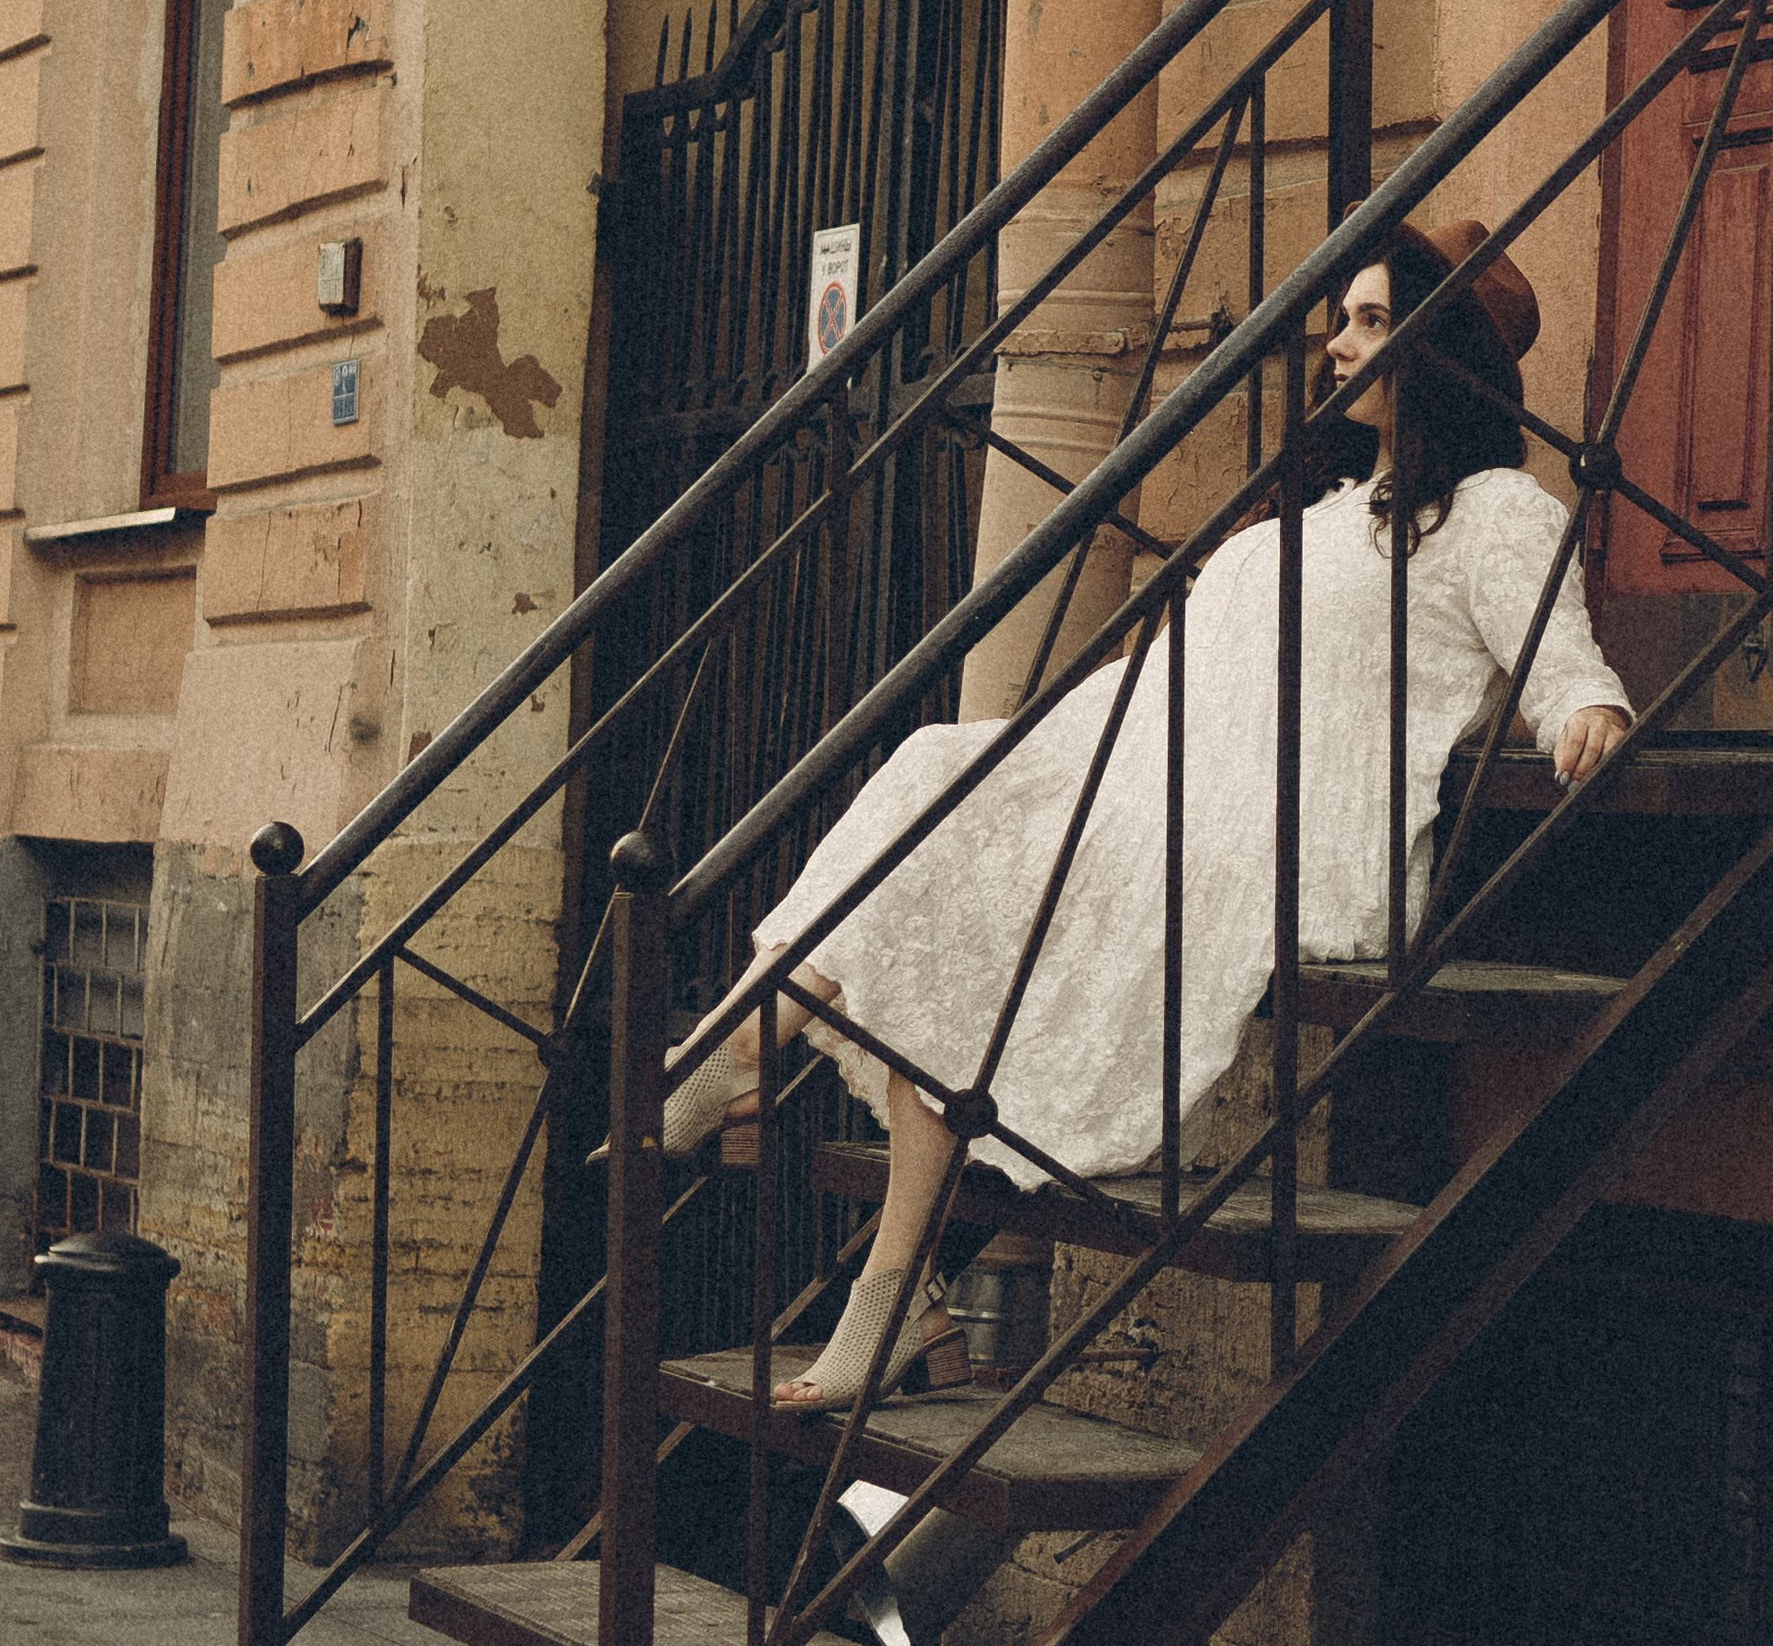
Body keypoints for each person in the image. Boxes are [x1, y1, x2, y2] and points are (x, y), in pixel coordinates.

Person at [655, 219, 1634, 1406]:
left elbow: (1561, 659)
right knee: (933, 793)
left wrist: (1589, 711)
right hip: (1141, 765)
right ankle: (867, 1278)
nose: (1336, 345)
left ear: (1445, 348)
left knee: (945, 867)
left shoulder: (1492, 513)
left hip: (1277, 829)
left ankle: (735, 1054)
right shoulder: (1316, 507)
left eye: (1371, 322)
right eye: (1342, 319)